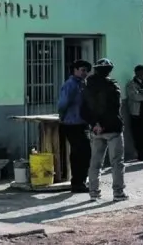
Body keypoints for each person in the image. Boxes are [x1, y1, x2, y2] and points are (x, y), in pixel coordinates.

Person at [83, 58, 127, 201]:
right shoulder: (112, 86)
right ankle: (118, 193)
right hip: (112, 128)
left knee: (95, 162)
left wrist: (95, 124)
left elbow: (83, 109)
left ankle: (93, 192)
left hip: (96, 130)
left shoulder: (87, 86)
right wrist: (104, 125)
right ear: (109, 70)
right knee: (117, 162)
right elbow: (113, 108)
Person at [55, 60, 93, 193]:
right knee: (80, 153)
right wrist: (62, 117)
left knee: (84, 152)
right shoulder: (70, 85)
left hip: (82, 123)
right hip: (72, 124)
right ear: (75, 70)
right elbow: (62, 104)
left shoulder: (83, 84)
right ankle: (77, 183)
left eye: (87, 71)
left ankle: (80, 181)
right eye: (82, 70)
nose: (85, 73)